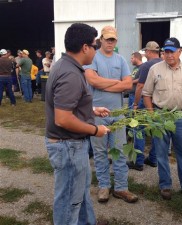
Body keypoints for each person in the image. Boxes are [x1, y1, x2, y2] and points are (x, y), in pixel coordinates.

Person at [45, 23, 110, 225]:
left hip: (70, 145)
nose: (96, 49)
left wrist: (89, 111)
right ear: (85, 47)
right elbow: (62, 118)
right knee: (69, 203)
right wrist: (95, 130)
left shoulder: (65, 66)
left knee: (79, 195)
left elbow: (64, 106)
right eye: (95, 45)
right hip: (69, 146)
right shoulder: (71, 74)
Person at [142, 37, 182, 202]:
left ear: (179, 51)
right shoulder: (155, 69)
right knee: (161, 153)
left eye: (172, 51)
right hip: (160, 116)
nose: (169, 55)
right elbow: (146, 94)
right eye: (166, 52)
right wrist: (152, 114)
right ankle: (165, 185)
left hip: (181, 117)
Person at [84, 25, 138, 204]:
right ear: (101, 39)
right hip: (98, 114)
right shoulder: (93, 57)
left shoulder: (121, 60)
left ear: (116, 41)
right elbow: (92, 80)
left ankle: (121, 188)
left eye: (113, 39)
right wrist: (117, 82)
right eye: (107, 39)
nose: (110, 42)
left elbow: (128, 85)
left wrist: (104, 82)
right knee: (100, 153)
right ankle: (104, 186)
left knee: (120, 152)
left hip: (118, 114)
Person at [127, 41, 163, 171]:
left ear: (148, 52)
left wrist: (136, 104)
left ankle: (139, 162)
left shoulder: (146, 65)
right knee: (156, 131)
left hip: (144, 101)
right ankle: (153, 159)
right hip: (158, 102)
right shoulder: (164, 64)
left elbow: (140, 86)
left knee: (138, 130)